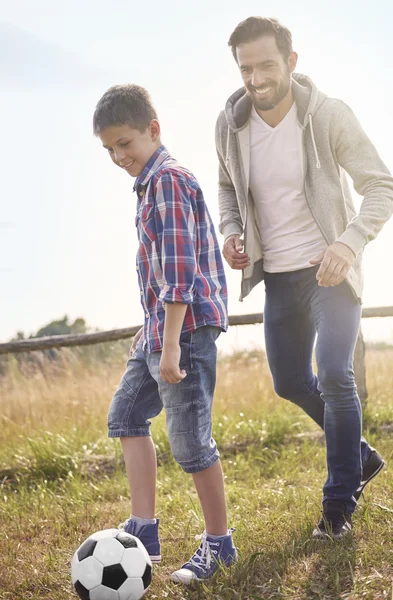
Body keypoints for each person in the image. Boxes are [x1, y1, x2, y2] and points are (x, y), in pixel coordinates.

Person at [216, 16, 393, 539]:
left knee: (336, 374)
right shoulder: (230, 124)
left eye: (267, 65)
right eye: (246, 68)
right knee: (290, 380)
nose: (256, 78)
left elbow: (381, 185)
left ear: (291, 62)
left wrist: (349, 242)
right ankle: (358, 455)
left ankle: (337, 507)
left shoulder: (328, 115)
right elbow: (227, 188)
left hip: (330, 271)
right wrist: (231, 231)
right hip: (279, 276)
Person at [92, 84, 236, 584]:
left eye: (125, 143)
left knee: (190, 441)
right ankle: (144, 529)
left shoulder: (169, 181)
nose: (117, 156)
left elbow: (179, 274)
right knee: (126, 415)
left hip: (186, 331)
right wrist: (150, 330)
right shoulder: (147, 185)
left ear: (153, 130)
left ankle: (220, 545)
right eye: (109, 148)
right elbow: (158, 275)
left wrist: (171, 341)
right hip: (160, 330)